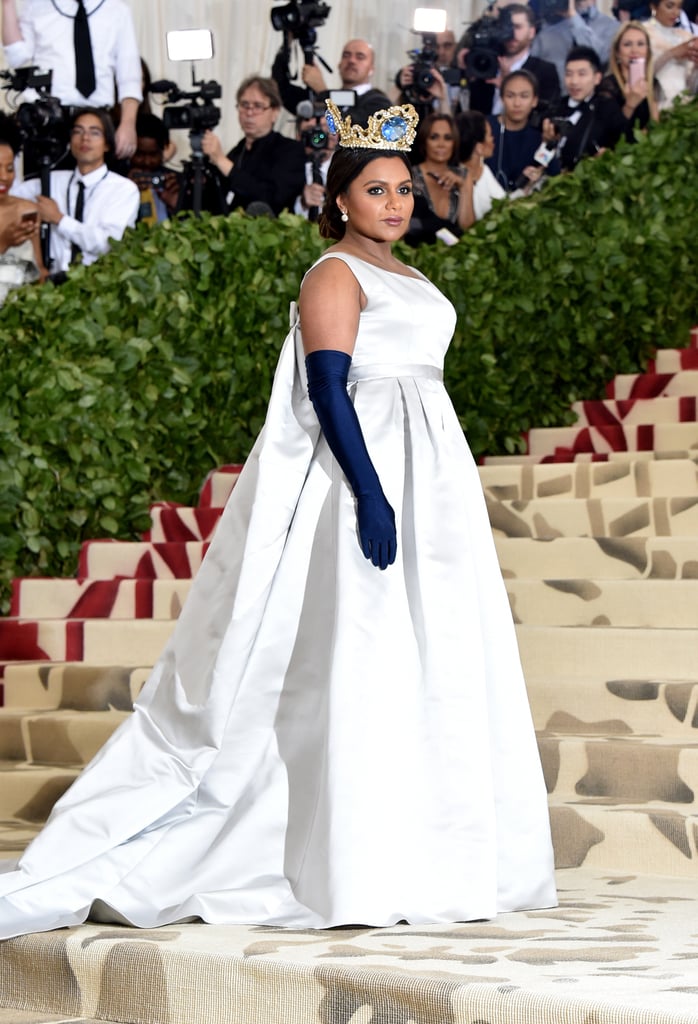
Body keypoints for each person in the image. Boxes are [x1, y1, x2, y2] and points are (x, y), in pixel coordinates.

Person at [0, 98, 557, 938]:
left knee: (433, 651)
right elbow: (331, 390)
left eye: (404, 188)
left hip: (433, 476)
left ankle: (432, 846)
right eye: (377, 190)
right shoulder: (334, 273)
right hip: (369, 473)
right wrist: (371, 493)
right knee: (363, 650)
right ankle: (337, 855)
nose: (397, 203)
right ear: (340, 199)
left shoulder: (412, 272)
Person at [1, 0, 142, 162]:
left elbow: (129, 75)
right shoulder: (36, 6)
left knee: (95, 183)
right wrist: (7, 4)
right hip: (47, 119)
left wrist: (128, 124)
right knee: (44, 184)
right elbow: (16, 57)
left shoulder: (118, 10)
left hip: (97, 118)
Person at [12, 108, 139, 274]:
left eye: (94, 133)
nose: (85, 138)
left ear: (107, 144)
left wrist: (59, 219)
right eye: (78, 131)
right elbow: (9, 196)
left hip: (98, 282)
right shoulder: (51, 180)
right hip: (51, 282)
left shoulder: (123, 189)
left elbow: (107, 243)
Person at [202, 75, 305, 216]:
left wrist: (221, 161)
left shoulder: (291, 150)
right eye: (244, 105)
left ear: (275, 112)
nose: (249, 113)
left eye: (258, 106)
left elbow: (272, 198)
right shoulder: (237, 152)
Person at [468, 4, 561, 119]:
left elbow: (545, 114)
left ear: (531, 32)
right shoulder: (485, 64)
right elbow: (473, 111)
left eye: (517, 27)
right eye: (506, 27)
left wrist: (508, 87)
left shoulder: (545, 71)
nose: (511, 33)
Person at [272, 37, 390, 127]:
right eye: (346, 55)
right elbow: (279, 89)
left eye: (360, 57)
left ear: (372, 68)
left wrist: (322, 91)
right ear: (339, 64)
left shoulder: (378, 102)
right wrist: (287, 43)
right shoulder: (334, 97)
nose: (351, 61)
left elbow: (354, 126)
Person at [542, 46, 627, 169]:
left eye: (582, 74)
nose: (574, 81)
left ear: (597, 78)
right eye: (569, 74)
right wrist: (546, 143)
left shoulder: (607, 108)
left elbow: (621, 143)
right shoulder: (556, 107)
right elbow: (543, 154)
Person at [406, 112, 475, 244]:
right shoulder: (409, 176)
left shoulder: (463, 175)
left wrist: (464, 187)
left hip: (455, 253)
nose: (441, 144)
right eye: (434, 137)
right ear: (424, 141)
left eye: (448, 138)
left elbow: (468, 229)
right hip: (416, 251)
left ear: (454, 142)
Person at [486, 69, 560, 191]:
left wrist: (548, 145)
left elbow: (554, 174)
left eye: (524, 96)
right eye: (510, 96)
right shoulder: (485, 126)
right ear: (502, 98)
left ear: (534, 101)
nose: (517, 103)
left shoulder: (538, 137)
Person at [0, 113, 46, 303]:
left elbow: (39, 270)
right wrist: (3, 243)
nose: (4, 176)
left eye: (10, 168)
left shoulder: (26, 210)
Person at [530, 0, 621, 88]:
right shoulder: (546, 30)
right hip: (555, 98)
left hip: (595, 99)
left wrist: (573, 17)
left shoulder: (611, 26)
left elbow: (600, 57)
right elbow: (532, 68)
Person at [597, 21, 659, 138]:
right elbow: (610, 134)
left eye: (640, 44)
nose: (634, 50)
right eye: (627, 44)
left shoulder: (652, 83)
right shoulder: (607, 86)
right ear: (617, 53)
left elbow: (655, 127)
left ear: (648, 51)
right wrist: (630, 105)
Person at [127, 114, 181, 225]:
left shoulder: (176, 182)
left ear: (163, 149)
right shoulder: (116, 181)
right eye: (140, 154)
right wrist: (126, 191)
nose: (147, 162)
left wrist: (176, 204)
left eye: (153, 155)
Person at [644, 0, 698, 109]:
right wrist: (672, 54)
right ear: (654, 6)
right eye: (670, 6)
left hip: (683, 107)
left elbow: (690, 87)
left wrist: (696, 68)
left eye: (679, 7)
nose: (676, 13)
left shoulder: (687, 37)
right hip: (652, 105)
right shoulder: (642, 33)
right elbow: (641, 75)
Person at [457, 110, 507, 220]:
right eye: (489, 135)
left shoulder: (484, 169)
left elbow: (504, 204)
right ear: (479, 148)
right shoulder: (456, 180)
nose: (493, 139)